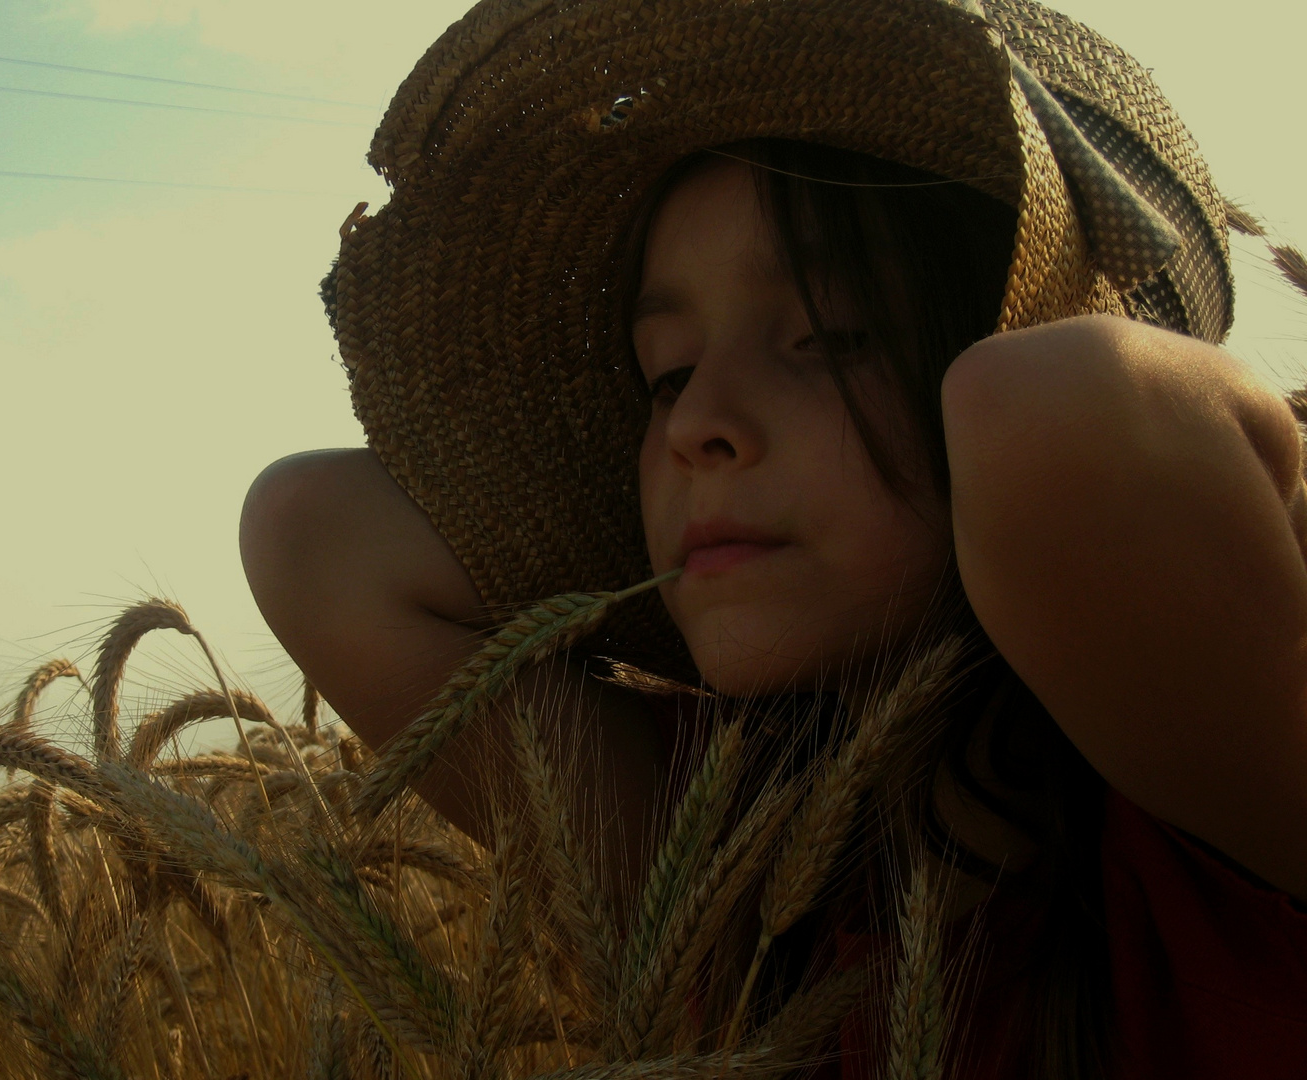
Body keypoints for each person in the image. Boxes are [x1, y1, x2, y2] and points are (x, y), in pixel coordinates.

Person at [241, 0, 1307, 1075]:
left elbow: (1060, 407)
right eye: (664, 373)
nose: (700, 421)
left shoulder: (1222, 792)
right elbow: (309, 534)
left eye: (829, 337)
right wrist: (664, 571)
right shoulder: (729, 858)